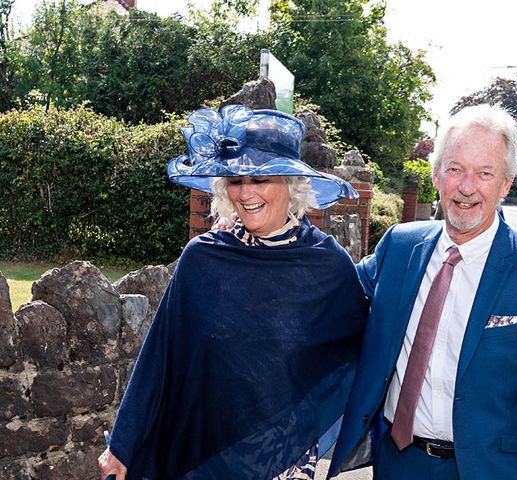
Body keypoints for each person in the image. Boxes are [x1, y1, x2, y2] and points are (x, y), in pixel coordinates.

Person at [98, 105, 369, 480]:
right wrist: (122, 444)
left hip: (283, 462)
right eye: (236, 181)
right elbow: (160, 355)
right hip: (202, 451)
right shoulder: (203, 258)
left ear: (290, 185)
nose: (246, 193)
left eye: (261, 180)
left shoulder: (326, 264)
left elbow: (363, 351)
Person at [328, 104, 517, 480]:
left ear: (506, 184)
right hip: (398, 464)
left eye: (485, 173)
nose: (467, 188)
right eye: (455, 169)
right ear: (436, 176)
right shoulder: (400, 247)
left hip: (493, 471)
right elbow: (327, 291)